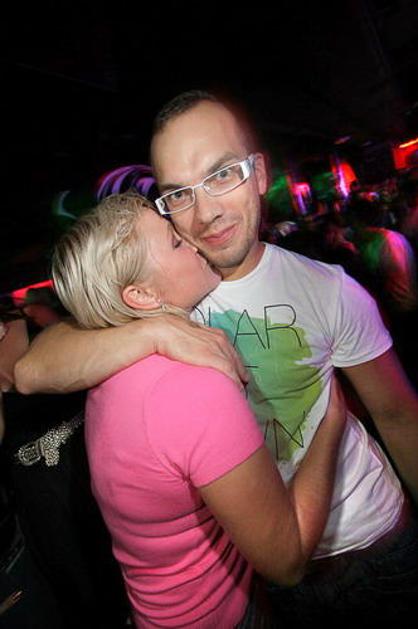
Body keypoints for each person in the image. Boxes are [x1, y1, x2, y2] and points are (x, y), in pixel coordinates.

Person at [16, 90, 418, 623]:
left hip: (374, 543)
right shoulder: (169, 289)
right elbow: (31, 368)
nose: (204, 213)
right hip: (267, 572)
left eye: (222, 174)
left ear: (258, 174)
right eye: (179, 193)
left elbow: (397, 416)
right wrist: (153, 334)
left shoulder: (331, 290)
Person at [50, 191, 346, 628]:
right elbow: (288, 559)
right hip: (221, 616)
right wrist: (331, 423)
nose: (190, 239)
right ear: (142, 295)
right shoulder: (191, 388)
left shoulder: (108, 369)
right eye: (174, 242)